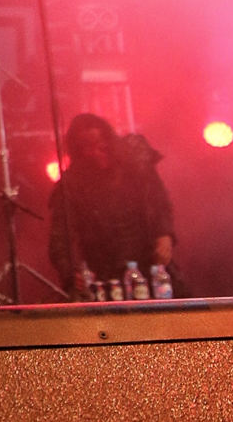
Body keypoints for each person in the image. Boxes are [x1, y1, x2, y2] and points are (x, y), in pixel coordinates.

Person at [48, 113, 179, 297]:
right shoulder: (72, 184)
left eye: (100, 145)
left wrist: (164, 234)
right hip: (106, 274)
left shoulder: (136, 159)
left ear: (109, 139)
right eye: (87, 148)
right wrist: (70, 273)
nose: (96, 152)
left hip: (149, 263)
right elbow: (59, 239)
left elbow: (160, 201)